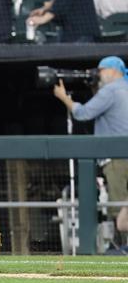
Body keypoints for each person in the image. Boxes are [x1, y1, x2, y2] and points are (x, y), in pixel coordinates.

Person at [53, 57, 128, 243]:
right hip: (122, 154)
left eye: (100, 71)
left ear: (112, 71)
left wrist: (64, 98)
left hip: (117, 159)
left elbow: (83, 113)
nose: (98, 74)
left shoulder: (111, 90)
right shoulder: (123, 87)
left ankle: (123, 248)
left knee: (118, 208)